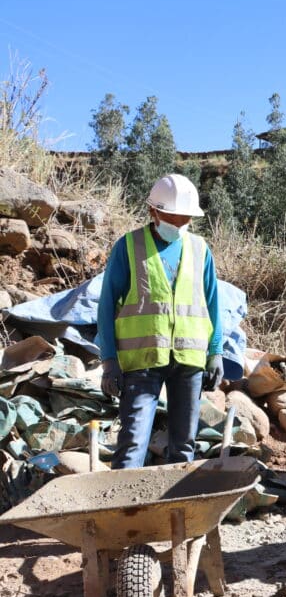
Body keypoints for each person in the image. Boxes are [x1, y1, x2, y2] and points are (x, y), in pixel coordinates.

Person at [96, 174, 223, 469]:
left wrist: (215, 352)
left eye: (185, 220)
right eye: (172, 218)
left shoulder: (200, 249)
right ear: (154, 211)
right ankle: (123, 508)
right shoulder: (128, 247)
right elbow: (105, 307)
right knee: (132, 443)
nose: (178, 226)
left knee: (184, 446)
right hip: (142, 361)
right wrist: (109, 360)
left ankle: (176, 509)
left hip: (189, 359)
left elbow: (213, 303)